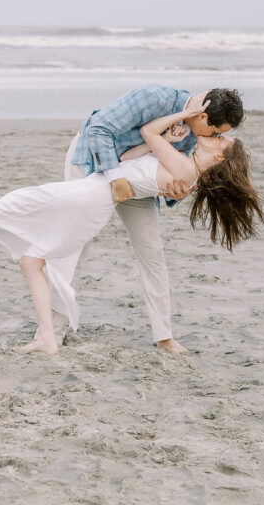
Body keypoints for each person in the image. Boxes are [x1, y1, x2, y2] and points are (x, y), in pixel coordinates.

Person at [0, 103, 264, 356]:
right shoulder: (183, 164)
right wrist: (170, 142)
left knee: (19, 205)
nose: (217, 137)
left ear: (221, 158)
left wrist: (179, 118)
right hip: (95, 195)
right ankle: (47, 337)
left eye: (222, 141)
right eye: (220, 133)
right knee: (31, 255)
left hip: (92, 198)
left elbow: (148, 134)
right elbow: (130, 158)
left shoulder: (185, 170)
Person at [59, 85, 245, 354]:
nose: (213, 137)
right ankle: (54, 330)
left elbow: (168, 171)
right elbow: (98, 129)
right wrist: (115, 179)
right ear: (203, 117)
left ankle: (164, 336)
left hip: (133, 175)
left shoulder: (197, 133)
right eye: (216, 132)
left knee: (152, 252)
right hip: (91, 161)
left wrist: (175, 193)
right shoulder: (153, 98)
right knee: (76, 247)